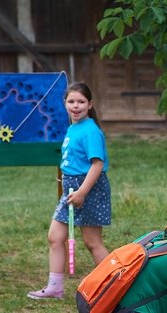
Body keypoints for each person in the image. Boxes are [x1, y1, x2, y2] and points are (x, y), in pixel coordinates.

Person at [29, 82, 110, 299]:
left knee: (93, 242)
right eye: (71, 101)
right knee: (55, 237)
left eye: (81, 102)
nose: (76, 106)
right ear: (65, 103)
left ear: (90, 104)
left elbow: (97, 164)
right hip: (72, 189)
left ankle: (116, 286)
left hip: (89, 189)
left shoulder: (91, 131)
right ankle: (55, 287)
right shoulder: (73, 128)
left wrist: (82, 192)